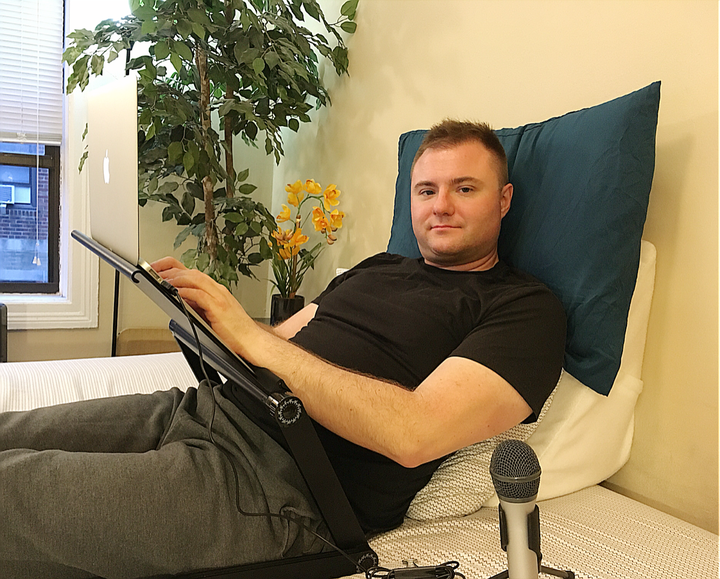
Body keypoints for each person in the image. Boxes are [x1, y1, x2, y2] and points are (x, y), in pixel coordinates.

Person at [0, 120, 566, 579]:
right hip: (202, 410)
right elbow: (279, 341)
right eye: (426, 190)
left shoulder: (524, 310)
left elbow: (414, 433)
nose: (440, 205)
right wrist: (214, 321)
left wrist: (251, 341)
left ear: (504, 199)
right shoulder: (378, 267)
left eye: (464, 188)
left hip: (276, 488)